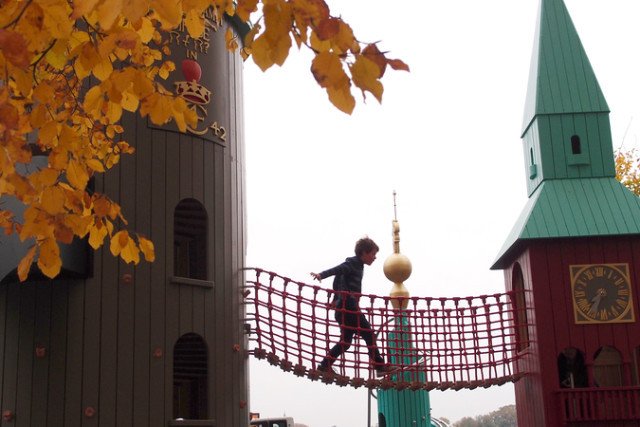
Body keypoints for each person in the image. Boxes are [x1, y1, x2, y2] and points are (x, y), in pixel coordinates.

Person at [310, 237, 391, 377]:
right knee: (369, 334)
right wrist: (321, 275)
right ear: (364, 253)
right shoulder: (353, 263)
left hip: (343, 309)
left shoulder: (357, 265)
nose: (375, 257)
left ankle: (324, 366)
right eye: (373, 254)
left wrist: (336, 299)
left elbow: (339, 279)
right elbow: (338, 270)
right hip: (349, 308)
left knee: (346, 342)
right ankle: (380, 367)